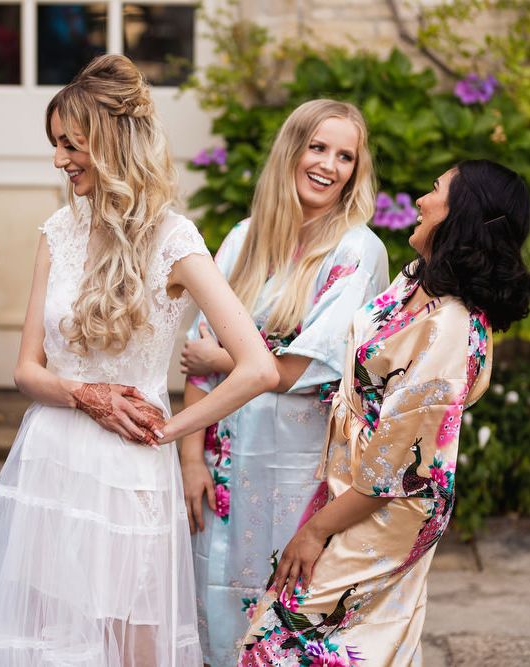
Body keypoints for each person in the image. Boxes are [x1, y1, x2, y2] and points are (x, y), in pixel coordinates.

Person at [0, 54, 277, 667]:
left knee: (131, 643)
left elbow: (258, 367)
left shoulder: (175, 241)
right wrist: (85, 395)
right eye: (56, 144)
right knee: (42, 640)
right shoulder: (58, 231)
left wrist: (170, 430)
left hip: (129, 471)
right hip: (50, 459)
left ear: (116, 143)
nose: (60, 159)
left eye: (74, 144)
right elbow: (26, 372)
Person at [238, 159, 530, 666]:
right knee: (356, 643)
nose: (420, 200)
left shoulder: (451, 329)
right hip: (350, 483)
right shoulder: (416, 280)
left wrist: (314, 531)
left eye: (435, 190)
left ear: (460, 212)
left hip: (389, 506)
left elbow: (394, 469)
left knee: (281, 640)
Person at [178, 99, 389, 665]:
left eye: (345, 156)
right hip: (221, 465)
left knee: (286, 621)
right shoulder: (244, 239)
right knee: (211, 607)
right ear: (291, 151)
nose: (329, 165)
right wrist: (190, 458)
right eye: (318, 147)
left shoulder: (357, 250)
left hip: (296, 473)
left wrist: (227, 359)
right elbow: (195, 355)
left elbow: (298, 369)